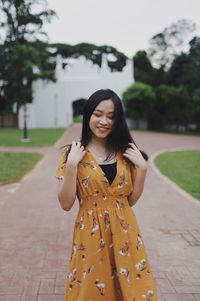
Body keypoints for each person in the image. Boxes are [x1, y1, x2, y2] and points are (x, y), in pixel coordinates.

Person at [55, 89, 158, 301]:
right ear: (88, 116)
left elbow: (130, 200)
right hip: (90, 237)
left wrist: (143, 170)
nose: (104, 121)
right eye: (98, 114)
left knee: (133, 290)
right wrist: (72, 165)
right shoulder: (72, 154)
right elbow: (65, 204)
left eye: (111, 116)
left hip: (125, 233)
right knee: (92, 291)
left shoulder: (126, 152)